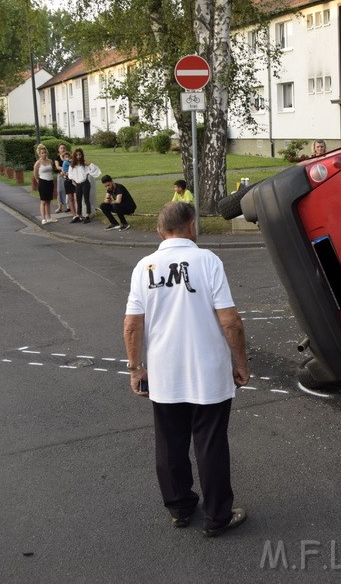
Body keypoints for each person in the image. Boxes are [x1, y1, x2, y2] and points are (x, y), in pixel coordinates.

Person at [124, 202, 250, 535]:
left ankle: (179, 508)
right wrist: (241, 363)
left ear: (159, 231)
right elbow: (231, 322)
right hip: (208, 372)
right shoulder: (207, 261)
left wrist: (136, 368)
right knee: (210, 444)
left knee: (169, 444)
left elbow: (132, 325)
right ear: (191, 226)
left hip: (164, 373)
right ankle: (217, 517)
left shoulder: (144, 267)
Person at [67, 148, 100, 223]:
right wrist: (73, 180)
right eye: (77, 155)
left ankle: (87, 216)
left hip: (85, 183)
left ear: (82, 155)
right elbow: (70, 174)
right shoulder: (72, 165)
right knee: (78, 200)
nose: (78, 156)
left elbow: (93, 170)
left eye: (80, 155)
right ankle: (78, 215)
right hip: (78, 184)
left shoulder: (84, 164)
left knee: (86, 199)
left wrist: (88, 164)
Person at [32, 144, 57, 225]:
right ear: (39, 154)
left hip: (50, 182)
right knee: (43, 201)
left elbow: (51, 170)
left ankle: (49, 217)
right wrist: (38, 180)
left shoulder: (50, 161)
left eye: (45, 152)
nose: (44, 154)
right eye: (42, 153)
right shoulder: (38, 163)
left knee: (48, 201)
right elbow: (35, 174)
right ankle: (43, 218)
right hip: (43, 182)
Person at [54, 143, 70, 214]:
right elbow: (57, 167)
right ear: (59, 149)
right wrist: (64, 169)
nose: (62, 149)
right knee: (60, 191)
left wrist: (66, 171)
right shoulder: (57, 157)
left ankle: (68, 206)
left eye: (64, 148)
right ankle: (60, 207)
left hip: (68, 175)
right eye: (61, 148)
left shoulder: (68, 157)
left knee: (68, 191)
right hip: (60, 176)